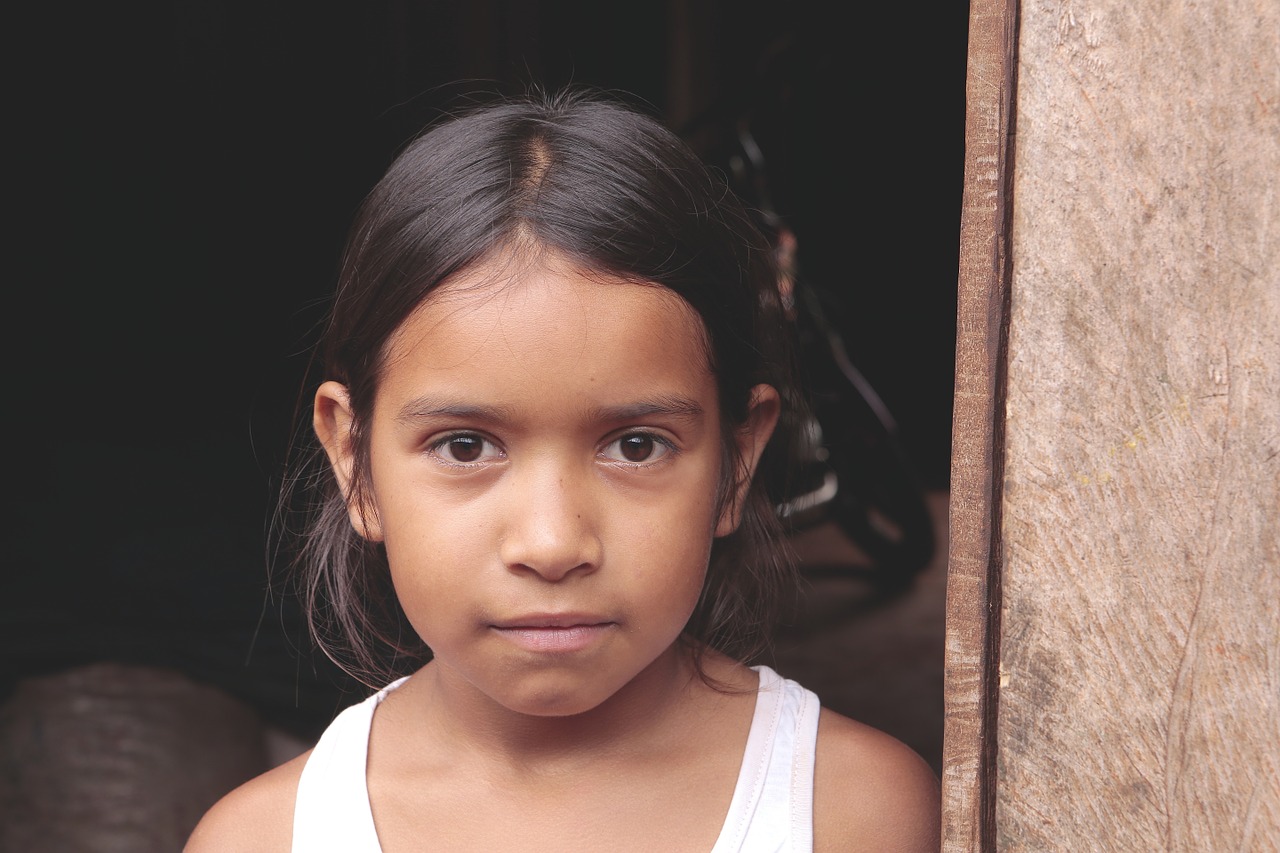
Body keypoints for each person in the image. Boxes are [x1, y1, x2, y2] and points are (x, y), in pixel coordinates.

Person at [185, 85, 940, 852]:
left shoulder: (853, 813)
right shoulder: (265, 837)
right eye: (465, 446)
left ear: (737, 461)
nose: (551, 544)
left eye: (637, 445)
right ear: (354, 460)